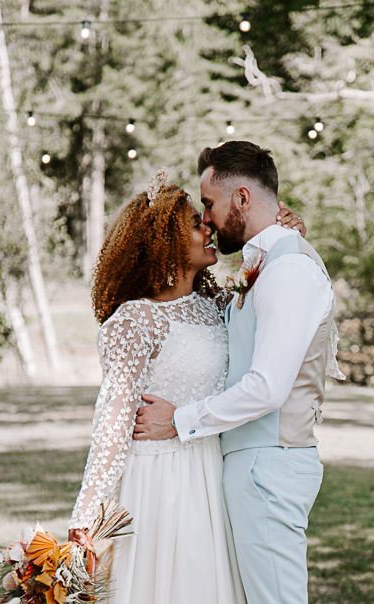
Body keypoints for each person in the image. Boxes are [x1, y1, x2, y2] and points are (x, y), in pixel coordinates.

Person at [67, 173, 305, 604]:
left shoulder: (219, 307)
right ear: (165, 242)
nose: (209, 227)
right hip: (157, 485)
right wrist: (87, 517)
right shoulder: (134, 322)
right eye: (197, 223)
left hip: (213, 476)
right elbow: (112, 425)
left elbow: (272, 293)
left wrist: (281, 232)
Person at [135, 141, 344, 604]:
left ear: (243, 199)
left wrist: (179, 419)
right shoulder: (267, 263)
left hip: (268, 464)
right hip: (251, 464)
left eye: (209, 204)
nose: (205, 218)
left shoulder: (288, 269)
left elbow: (268, 388)